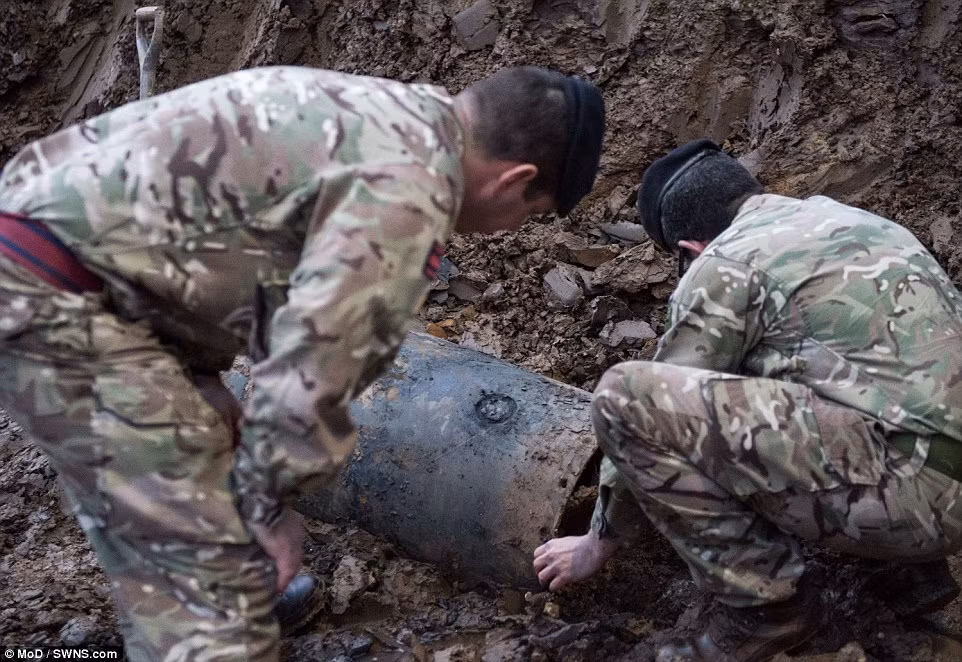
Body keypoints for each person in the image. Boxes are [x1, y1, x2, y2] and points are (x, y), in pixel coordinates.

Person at [0, 64, 604, 661]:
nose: (507, 230)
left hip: (51, 257)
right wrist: (268, 508)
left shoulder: (390, 117)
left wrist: (200, 377)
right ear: (513, 181)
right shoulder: (409, 192)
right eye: (530, 213)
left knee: (207, 487)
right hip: (58, 299)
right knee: (217, 615)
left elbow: (234, 251)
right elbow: (316, 371)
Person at [533, 139, 962, 661]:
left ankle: (766, 607)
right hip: (938, 472)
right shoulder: (854, 222)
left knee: (626, 399)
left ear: (689, 250)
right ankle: (904, 574)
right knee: (802, 368)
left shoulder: (725, 263)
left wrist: (597, 541)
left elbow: (654, 410)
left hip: (920, 502)